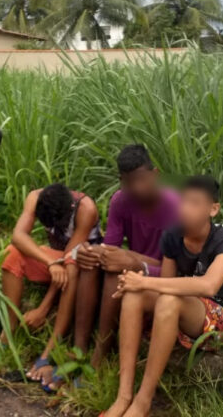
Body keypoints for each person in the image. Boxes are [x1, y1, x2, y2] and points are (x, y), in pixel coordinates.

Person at [102, 176, 223, 417]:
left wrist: (143, 279)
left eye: (196, 203)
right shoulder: (172, 235)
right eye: (184, 202)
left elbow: (209, 286)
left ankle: (142, 402)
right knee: (135, 295)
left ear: (213, 209)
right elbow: (165, 284)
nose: (187, 209)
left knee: (165, 298)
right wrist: (137, 285)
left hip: (219, 319)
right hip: (183, 309)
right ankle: (124, 396)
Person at [73, 144, 178, 366]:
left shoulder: (174, 207)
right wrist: (87, 252)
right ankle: (79, 348)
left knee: (117, 270)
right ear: (122, 181)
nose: (137, 188)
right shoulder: (120, 201)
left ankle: (100, 354)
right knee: (94, 263)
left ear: (155, 174)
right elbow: (111, 249)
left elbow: (176, 272)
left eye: (142, 179)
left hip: (163, 278)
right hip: (136, 268)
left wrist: (134, 261)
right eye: (129, 182)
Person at [1, 183, 101, 390]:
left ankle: (48, 352)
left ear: (69, 209)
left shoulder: (86, 209)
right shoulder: (35, 197)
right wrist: (49, 262)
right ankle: (8, 331)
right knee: (12, 252)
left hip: (84, 267)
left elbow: (69, 259)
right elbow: (18, 236)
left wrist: (43, 309)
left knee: (71, 266)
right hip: (57, 262)